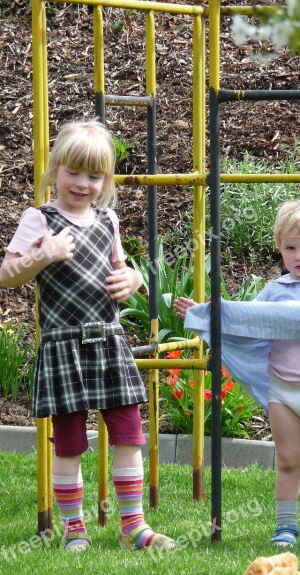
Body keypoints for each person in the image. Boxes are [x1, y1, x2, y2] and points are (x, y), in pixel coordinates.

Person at [0, 120, 176, 552]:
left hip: (110, 342)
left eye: (94, 176)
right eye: (73, 172)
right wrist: (44, 254)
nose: (82, 184)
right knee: (71, 442)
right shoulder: (39, 218)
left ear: (106, 181)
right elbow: (6, 276)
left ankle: (133, 525)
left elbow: (120, 268)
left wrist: (134, 279)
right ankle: (74, 529)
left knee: (130, 433)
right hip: (64, 345)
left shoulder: (108, 219)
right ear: (56, 169)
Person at [174, 198, 300, 550]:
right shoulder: (274, 292)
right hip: (283, 392)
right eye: (290, 248)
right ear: (280, 249)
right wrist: (203, 314)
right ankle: (285, 528)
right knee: (288, 459)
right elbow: (244, 322)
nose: (299, 256)